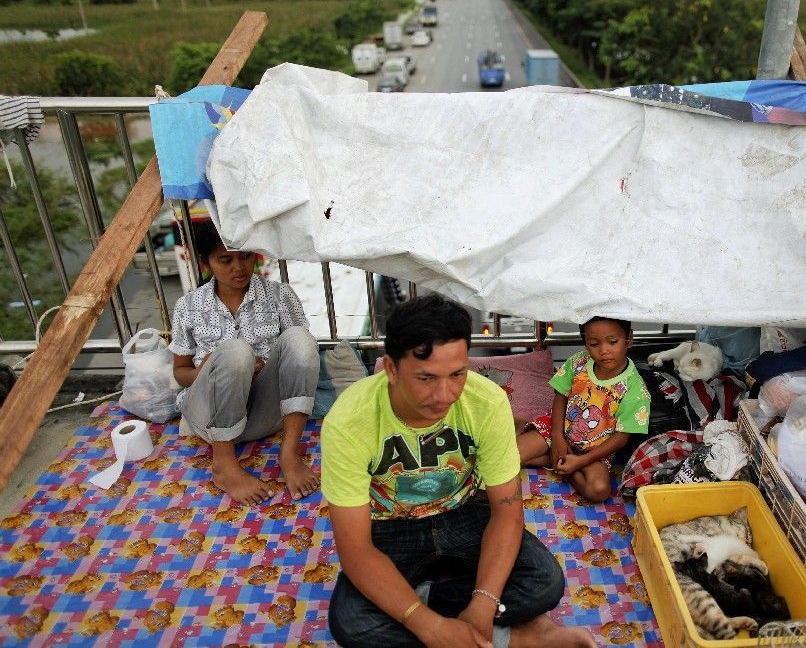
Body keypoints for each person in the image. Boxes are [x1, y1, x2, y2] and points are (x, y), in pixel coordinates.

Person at [322, 295, 596, 648]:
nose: (444, 394)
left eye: (457, 374)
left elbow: (506, 512)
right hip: (389, 527)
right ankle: (515, 637)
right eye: (426, 378)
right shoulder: (349, 421)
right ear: (390, 369)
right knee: (350, 624)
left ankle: (422, 603)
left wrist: (483, 604)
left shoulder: (487, 402)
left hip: (465, 513)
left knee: (544, 582)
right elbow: (356, 549)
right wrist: (429, 627)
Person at [169, 222, 320, 505]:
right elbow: (180, 372)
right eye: (225, 260)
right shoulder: (188, 306)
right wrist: (205, 371)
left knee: (300, 338)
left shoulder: (279, 295)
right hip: (209, 419)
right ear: (207, 263)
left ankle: (289, 454)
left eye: (245, 256)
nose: (238, 268)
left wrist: (261, 365)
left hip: (264, 415)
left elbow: (299, 357)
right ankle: (224, 465)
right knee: (237, 352)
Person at [517, 317, 650, 503]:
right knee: (510, 454)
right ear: (585, 342)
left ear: (629, 339)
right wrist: (557, 437)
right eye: (594, 343)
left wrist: (580, 462)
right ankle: (558, 458)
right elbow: (560, 397)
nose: (604, 351)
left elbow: (621, 438)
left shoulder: (636, 390)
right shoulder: (578, 362)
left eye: (613, 342)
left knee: (599, 490)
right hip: (556, 430)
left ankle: (560, 464)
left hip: (595, 451)